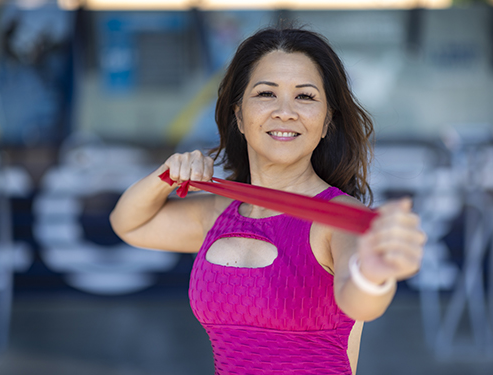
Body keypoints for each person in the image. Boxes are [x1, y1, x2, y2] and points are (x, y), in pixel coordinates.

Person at [110, 27, 426, 375]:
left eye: (305, 97)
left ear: (326, 122)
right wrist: (166, 177)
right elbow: (129, 224)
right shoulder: (218, 212)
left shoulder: (338, 217)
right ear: (239, 116)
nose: (285, 112)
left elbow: (360, 301)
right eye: (266, 94)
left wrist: (373, 273)